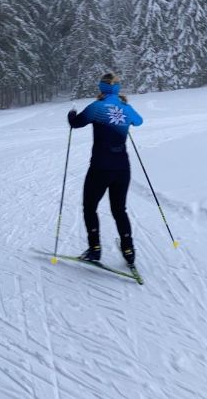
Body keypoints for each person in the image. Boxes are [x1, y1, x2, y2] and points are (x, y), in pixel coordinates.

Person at [67, 72, 143, 267]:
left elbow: (76, 124)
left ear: (101, 88)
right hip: (122, 169)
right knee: (119, 210)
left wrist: (71, 115)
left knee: (90, 207)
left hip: (100, 168)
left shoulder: (96, 108)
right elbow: (139, 121)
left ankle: (95, 250)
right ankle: (128, 250)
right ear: (117, 89)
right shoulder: (126, 107)